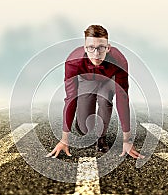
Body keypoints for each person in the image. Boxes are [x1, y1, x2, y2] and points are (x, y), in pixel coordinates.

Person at [46, 25, 144, 159]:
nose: (96, 54)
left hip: (108, 81)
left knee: (105, 100)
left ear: (108, 48)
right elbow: (70, 98)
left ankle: (101, 138)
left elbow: (122, 98)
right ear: (85, 47)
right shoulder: (72, 62)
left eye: (101, 48)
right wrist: (64, 139)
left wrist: (126, 141)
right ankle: (81, 124)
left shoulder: (119, 60)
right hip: (86, 81)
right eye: (91, 48)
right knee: (85, 128)